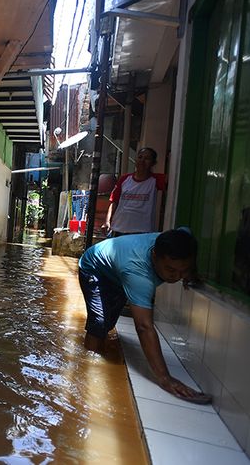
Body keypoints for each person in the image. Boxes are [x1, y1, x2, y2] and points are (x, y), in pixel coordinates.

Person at [78, 228, 211, 403]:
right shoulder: (138, 274)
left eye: (183, 270)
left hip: (116, 269)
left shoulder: (182, 238)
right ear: (155, 257)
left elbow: (185, 231)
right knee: (99, 324)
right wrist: (165, 378)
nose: (178, 276)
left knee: (108, 324)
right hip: (93, 268)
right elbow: (143, 326)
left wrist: (191, 273)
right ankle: (87, 368)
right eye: (171, 270)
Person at [103, 147, 166, 236]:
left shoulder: (156, 180)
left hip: (142, 232)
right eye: (140, 157)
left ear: (153, 163)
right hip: (119, 229)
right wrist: (107, 221)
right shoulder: (124, 179)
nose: (142, 161)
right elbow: (114, 202)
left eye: (147, 158)